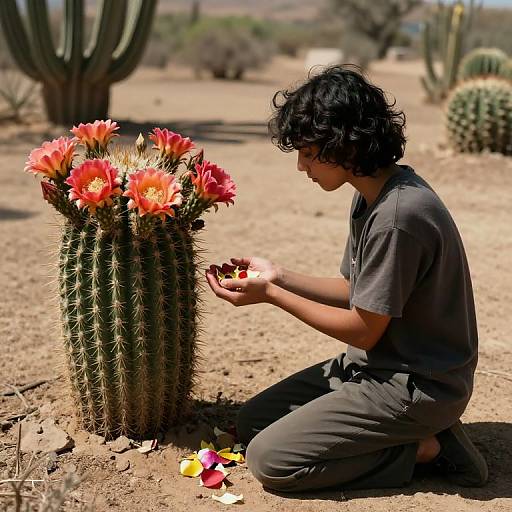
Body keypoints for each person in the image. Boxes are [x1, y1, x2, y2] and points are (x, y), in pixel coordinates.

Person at [204, 65, 488, 493]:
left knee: (271, 461)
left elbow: (364, 328)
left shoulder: (398, 217)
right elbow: (356, 293)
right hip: (376, 368)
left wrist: (273, 296)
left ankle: (428, 448)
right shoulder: (371, 195)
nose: (301, 166)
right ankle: (406, 435)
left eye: (307, 152)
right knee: (253, 422)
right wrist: (279, 275)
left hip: (417, 386)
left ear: (343, 144)